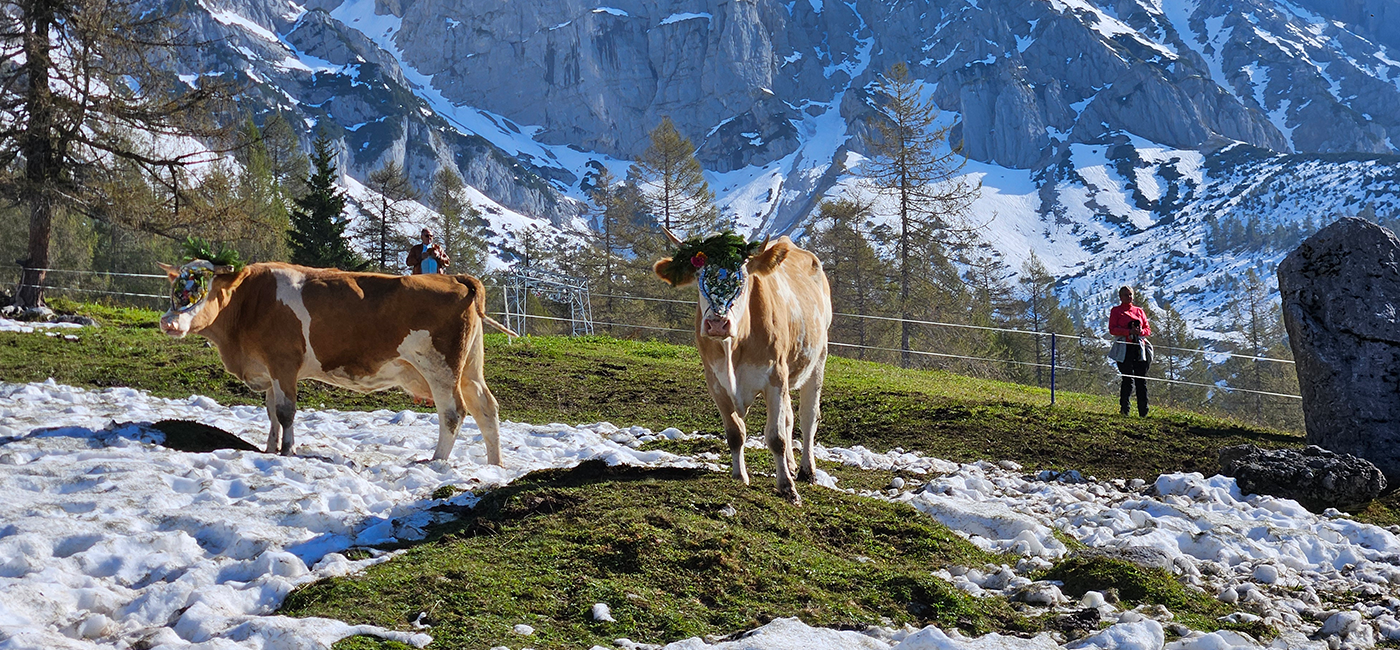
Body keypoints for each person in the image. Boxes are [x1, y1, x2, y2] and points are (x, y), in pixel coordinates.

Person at [1109, 285, 1152, 416]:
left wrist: (1140, 332)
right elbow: (1112, 329)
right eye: (1126, 295)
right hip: (1124, 348)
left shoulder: (1139, 311)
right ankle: (1124, 410)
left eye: (1130, 295)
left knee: (1141, 380)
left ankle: (1143, 412)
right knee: (1127, 379)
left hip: (1139, 348)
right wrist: (1128, 332)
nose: (1129, 297)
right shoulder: (1116, 311)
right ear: (1121, 297)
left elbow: (1148, 330)